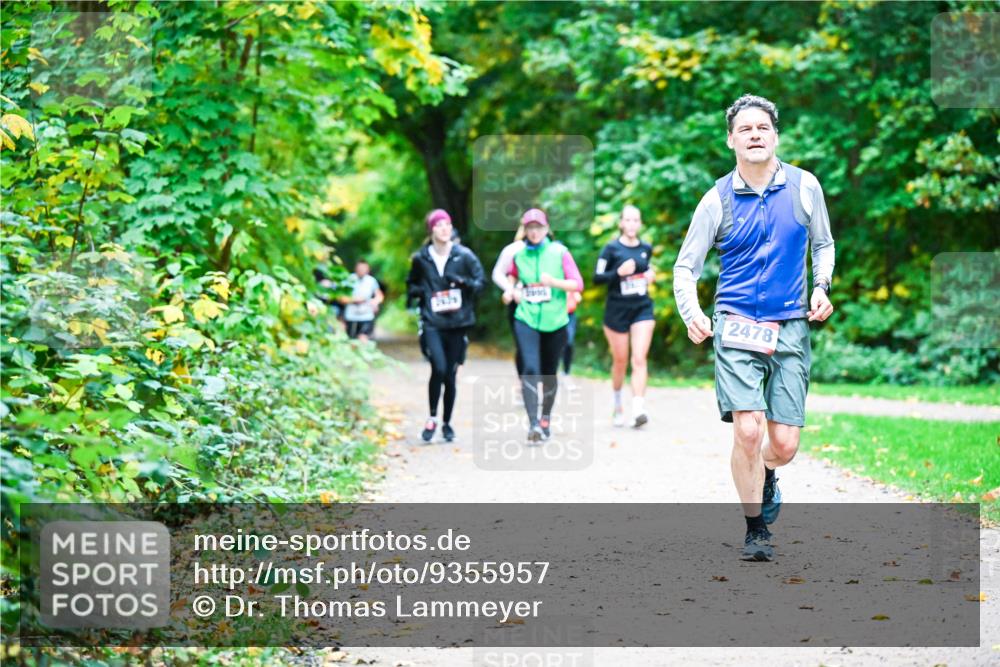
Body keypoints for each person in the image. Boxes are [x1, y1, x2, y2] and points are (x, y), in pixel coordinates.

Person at [673, 94, 835, 562]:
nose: (755, 135)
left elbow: (823, 244)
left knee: (782, 444)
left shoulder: (805, 188)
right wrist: (694, 314)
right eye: (745, 129)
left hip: (789, 324)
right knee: (747, 428)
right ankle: (755, 528)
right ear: (731, 140)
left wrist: (821, 286)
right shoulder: (716, 199)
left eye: (763, 127)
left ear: (775, 135)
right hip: (736, 323)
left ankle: (766, 473)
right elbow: (686, 268)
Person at [406, 209, 486, 443]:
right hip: (433, 322)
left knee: (450, 374)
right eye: (439, 225)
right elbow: (410, 285)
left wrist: (463, 283)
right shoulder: (421, 258)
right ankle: (432, 417)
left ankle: (447, 423)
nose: (445, 229)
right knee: (438, 368)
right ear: (431, 230)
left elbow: (481, 283)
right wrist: (421, 291)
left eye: (448, 224)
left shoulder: (464, 256)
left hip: (458, 322)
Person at [507, 208, 584, 443]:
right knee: (530, 368)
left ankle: (545, 419)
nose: (534, 232)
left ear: (546, 228)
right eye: (530, 228)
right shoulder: (519, 255)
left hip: (556, 320)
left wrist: (554, 282)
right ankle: (533, 425)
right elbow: (512, 275)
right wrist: (512, 290)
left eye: (538, 227)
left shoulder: (560, 252)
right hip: (526, 318)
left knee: (549, 373)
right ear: (525, 230)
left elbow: (577, 284)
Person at [594, 205, 656, 428]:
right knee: (620, 361)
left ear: (640, 224)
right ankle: (617, 403)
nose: (631, 224)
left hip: (642, 308)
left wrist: (650, 275)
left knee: (639, 358)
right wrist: (617, 273)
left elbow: (646, 269)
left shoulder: (645, 248)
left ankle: (638, 409)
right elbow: (597, 278)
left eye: (635, 220)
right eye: (627, 220)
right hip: (616, 311)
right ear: (621, 223)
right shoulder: (610, 249)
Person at [492, 225, 526, 376]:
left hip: (545, 304)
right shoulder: (513, 249)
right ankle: (523, 382)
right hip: (518, 304)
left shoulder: (552, 249)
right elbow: (497, 273)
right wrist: (511, 290)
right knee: (523, 344)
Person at [340, 259, 384, 342]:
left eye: (364, 268)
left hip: (366, 315)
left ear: (368, 269)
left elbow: (379, 295)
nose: (362, 270)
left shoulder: (371, 281)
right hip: (351, 315)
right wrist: (354, 300)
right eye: (360, 268)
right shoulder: (349, 280)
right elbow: (341, 298)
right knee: (351, 340)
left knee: (363, 338)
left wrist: (375, 302)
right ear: (356, 268)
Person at [562, 290, 582, 376]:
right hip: (555, 315)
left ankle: (566, 369)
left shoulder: (570, 283)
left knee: (569, 342)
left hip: (569, 316)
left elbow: (578, 298)